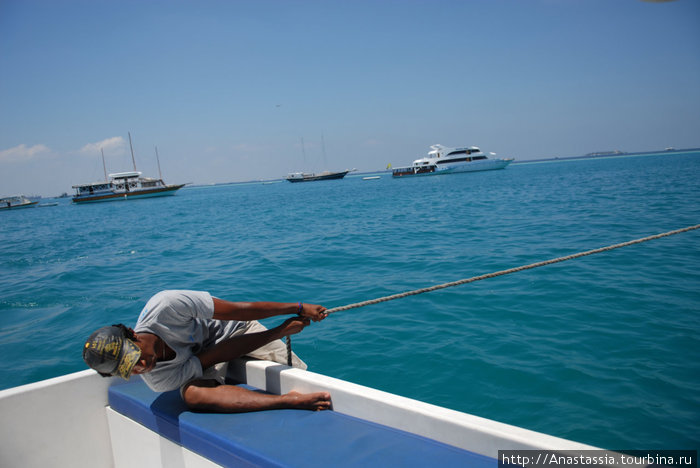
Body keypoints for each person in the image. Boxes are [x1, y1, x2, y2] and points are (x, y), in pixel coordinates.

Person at [83, 290, 331, 412]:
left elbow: (238, 310)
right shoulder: (157, 379)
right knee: (192, 396)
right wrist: (279, 332)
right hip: (207, 357)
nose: (141, 368)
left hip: (236, 329)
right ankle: (286, 401)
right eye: (129, 370)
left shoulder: (166, 306)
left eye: (133, 358)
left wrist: (296, 309)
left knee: (301, 376)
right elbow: (216, 356)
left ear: (133, 335)